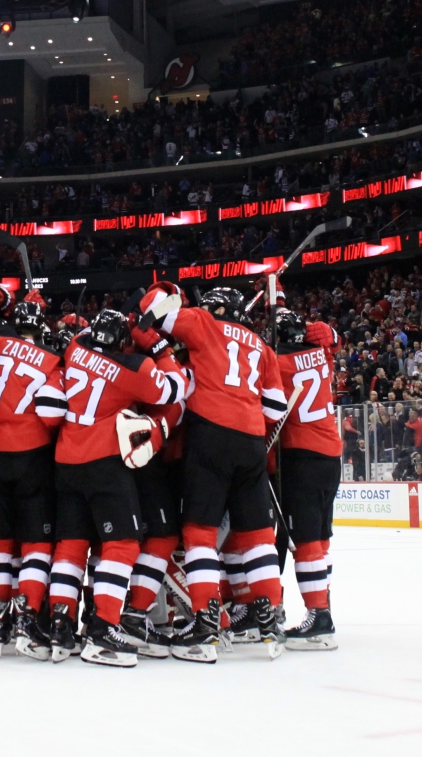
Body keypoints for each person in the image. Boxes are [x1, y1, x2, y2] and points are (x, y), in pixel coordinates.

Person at [135, 281, 287, 661]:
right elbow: (276, 408)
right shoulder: (262, 347)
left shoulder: (203, 322)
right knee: (257, 536)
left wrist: (171, 292)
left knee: (199, 532)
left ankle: (204, 626)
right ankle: (269, 618)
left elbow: (151, 310)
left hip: (209, 435)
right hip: (251, 442)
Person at [49, 307, 185, 668]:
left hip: (66, 459)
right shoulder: (134, 369)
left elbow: (78, 335)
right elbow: (175, 389)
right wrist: (158, 349)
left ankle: (60, 627)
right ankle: (103, 629)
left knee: (72, 546)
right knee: (122, 543)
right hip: (105, 461)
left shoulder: (76, 348)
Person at [0, 291, 67, 657]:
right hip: (32, 456)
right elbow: (53, 412)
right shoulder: (51, 359)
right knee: (35, 544)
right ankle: (26, 616)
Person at [270, 307, 344, 651]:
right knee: (321, 538)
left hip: (300, 457)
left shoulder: (279, 363)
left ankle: (319, 616)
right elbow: (328, 339)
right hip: (331, 454)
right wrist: (326, 332)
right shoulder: (322, 357)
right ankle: (323, 606)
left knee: (305, 541)